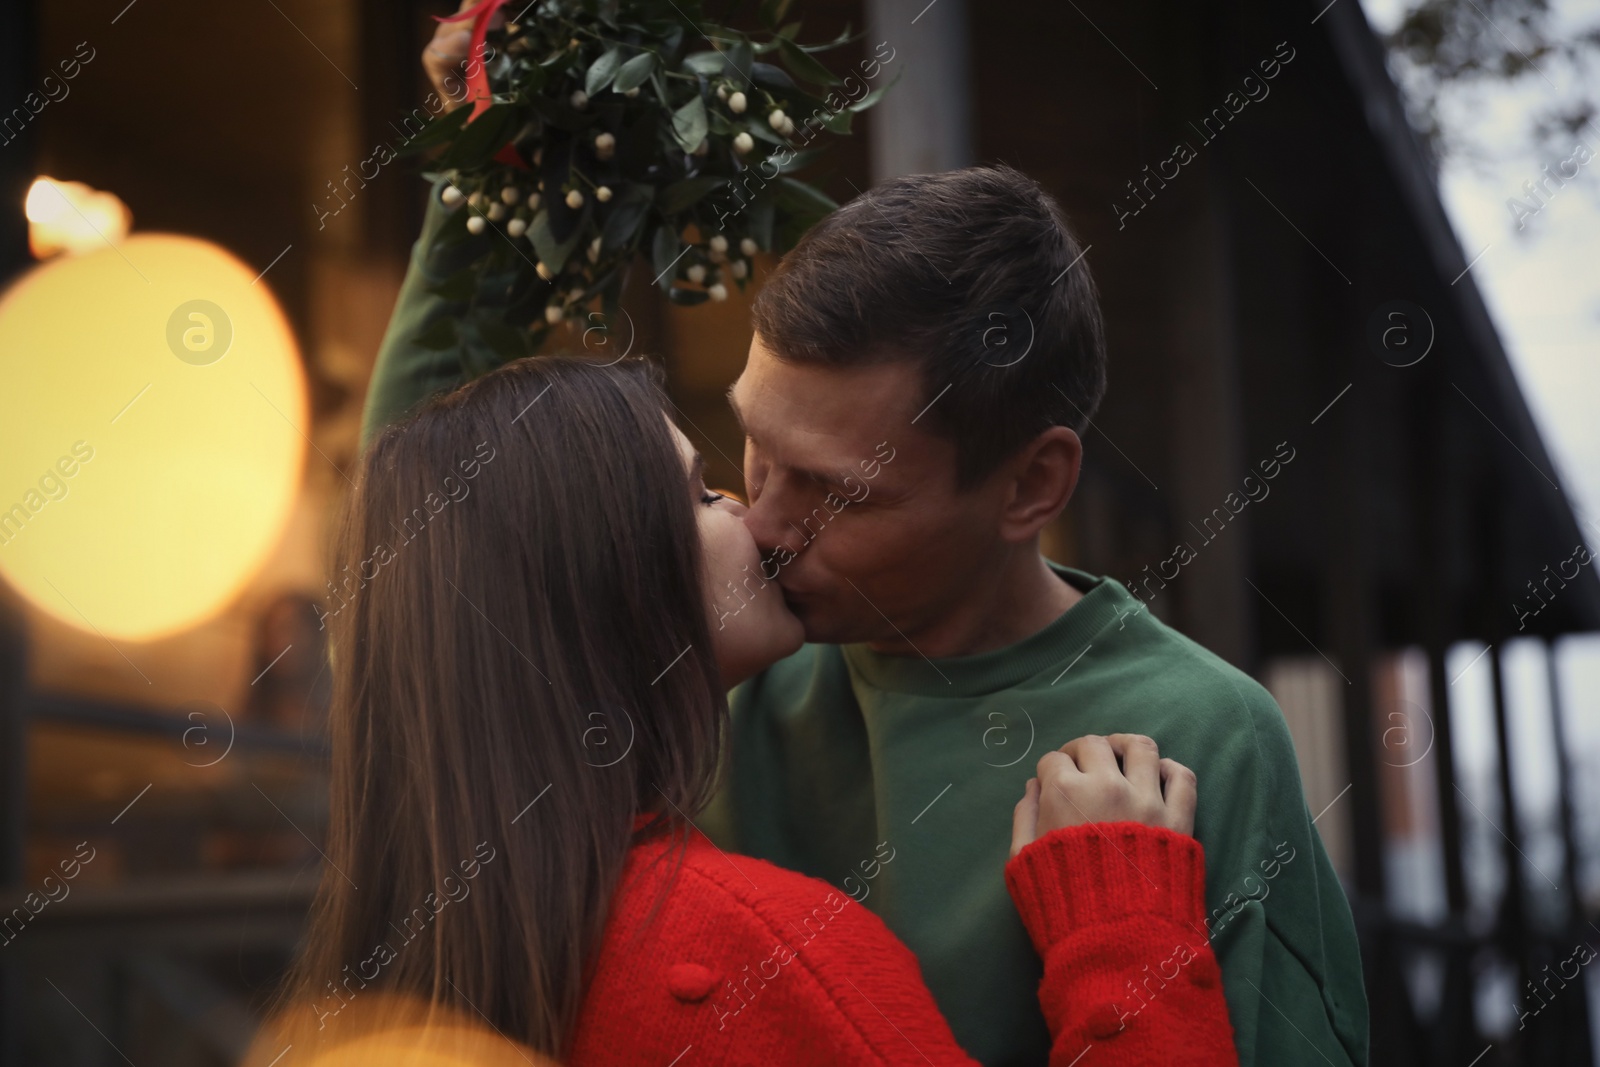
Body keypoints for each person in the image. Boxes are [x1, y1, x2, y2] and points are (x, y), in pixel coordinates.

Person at [362, 16, 1369, 1067]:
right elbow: (436, 564)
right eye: (749, 450)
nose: (759, 522)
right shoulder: (723, 683)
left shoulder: (1201, 734)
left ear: (1031, 483)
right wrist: (496, 174)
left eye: (835, 493)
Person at [267, 353, 1237, 1066]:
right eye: (698, 493)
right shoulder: (761, 958)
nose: (754, 513)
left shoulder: (406, 971)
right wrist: (1124, 937)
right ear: (607, 577)